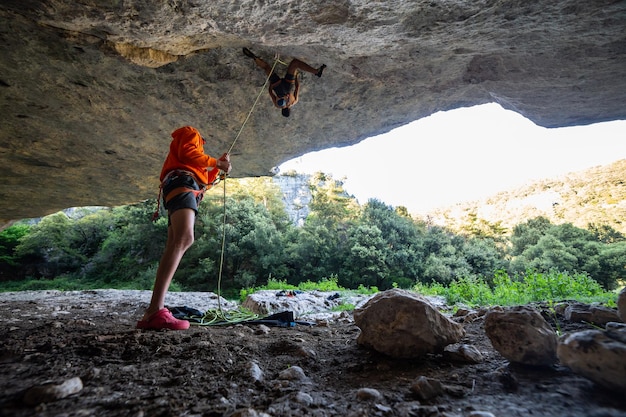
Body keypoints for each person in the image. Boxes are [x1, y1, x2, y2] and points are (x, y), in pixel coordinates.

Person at [137, 126, 232, 330]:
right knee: (184, 238)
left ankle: (153, 311)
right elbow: (188, 154)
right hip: (183, 183)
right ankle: (155, 310)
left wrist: (218, 167)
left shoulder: (196, 153)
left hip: (182, 185)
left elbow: (204, 178)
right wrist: (216, 162)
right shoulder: (191, 133)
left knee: (175, 242)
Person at [243, 47, 326, 117]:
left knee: (295, 63)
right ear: (282, 110)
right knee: (266, 67)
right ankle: (255, 58)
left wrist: (296, 76)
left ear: (289, 109)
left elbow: (297, 87)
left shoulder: (294, 102)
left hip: (288, 86)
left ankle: (316, 71)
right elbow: (270, 92)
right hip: (278, 87)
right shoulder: (277, 105)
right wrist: (271, 85)